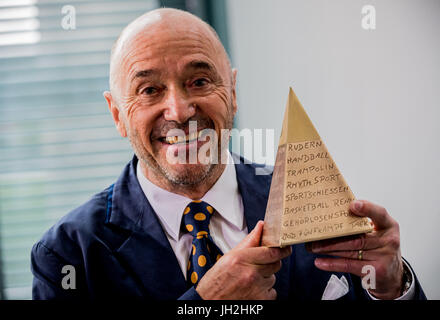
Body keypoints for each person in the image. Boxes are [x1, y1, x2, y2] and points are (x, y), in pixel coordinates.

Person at [31, 8, 426, 300]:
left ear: (232, 93)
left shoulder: (315, 203)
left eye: (199, 81)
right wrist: (203, 305)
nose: (180, 111)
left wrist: (392, 287)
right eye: (149, 90)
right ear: (117, 114)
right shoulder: (67, 255)